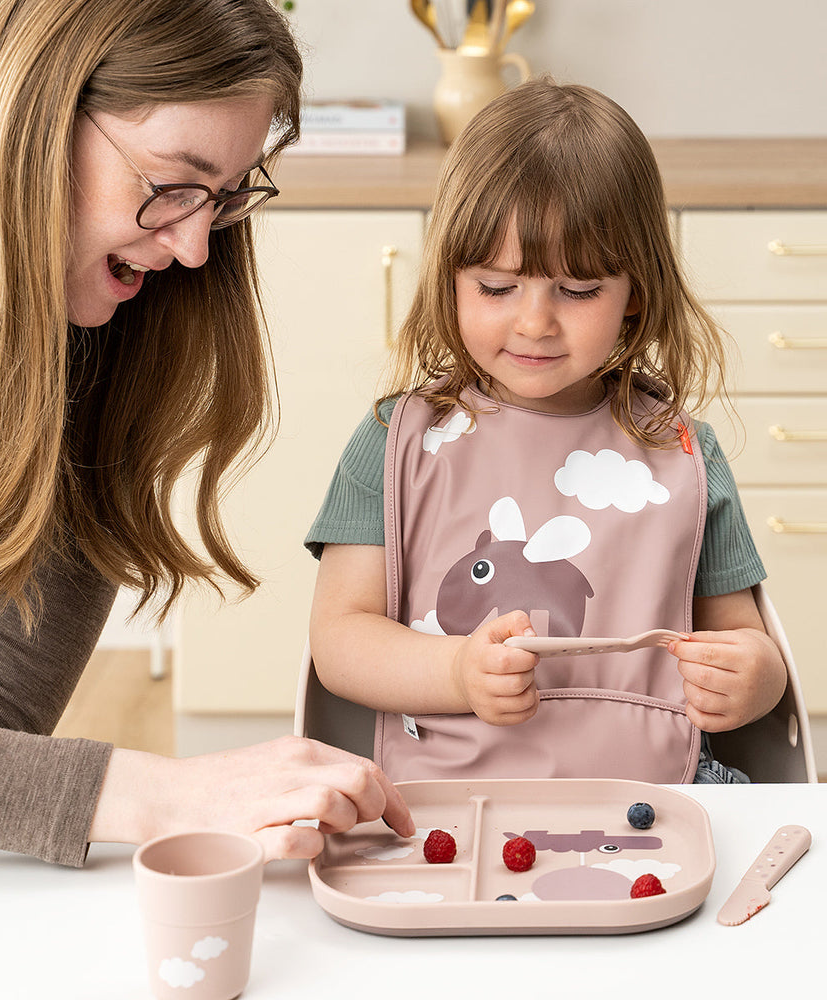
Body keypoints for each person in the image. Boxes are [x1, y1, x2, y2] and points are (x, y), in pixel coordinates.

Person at [0, 0, 414, 868]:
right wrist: (160, 792)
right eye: (170, 182)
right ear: (40, 107)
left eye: (220, 199)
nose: (192, 249)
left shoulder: (112, 325)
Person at [306, 79, 788, 785]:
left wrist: (756, 677)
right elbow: (340, 641)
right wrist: (458, 673)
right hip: (445, 802)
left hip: (656, 803)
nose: (534, 322)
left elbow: (745, 639)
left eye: (580, 290)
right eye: (497, 289)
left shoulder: (685, 454)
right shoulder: (394, 442)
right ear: (449, 282)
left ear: (636, 295)